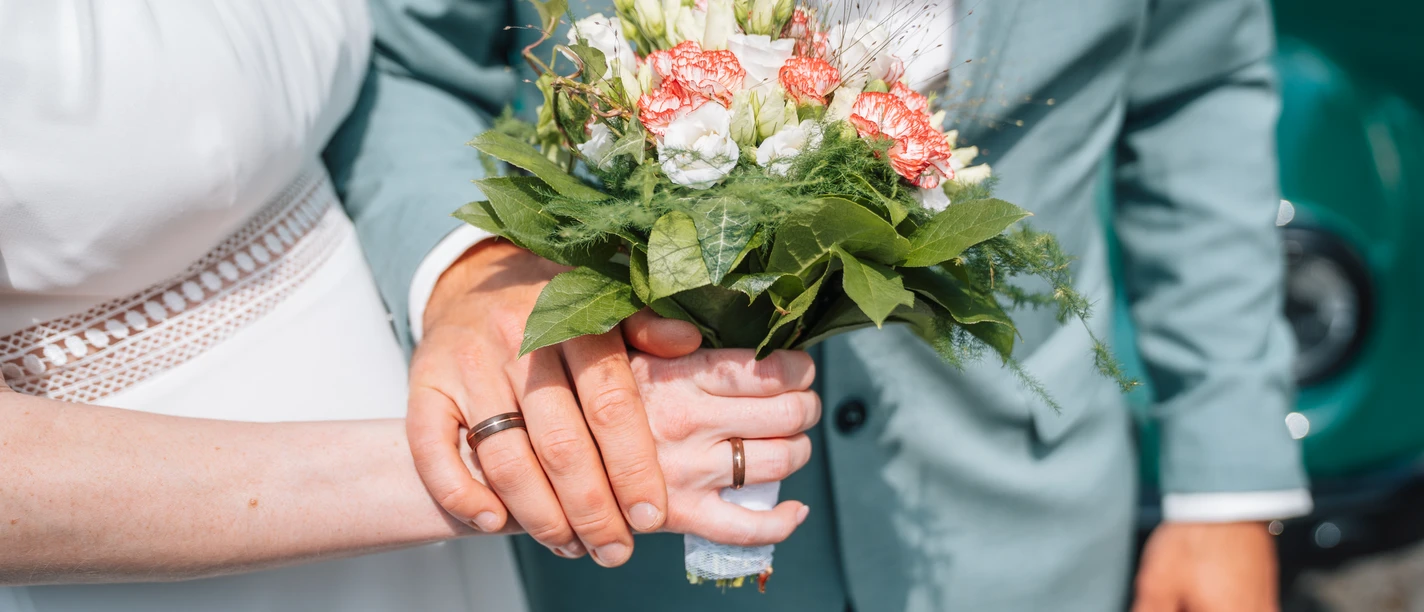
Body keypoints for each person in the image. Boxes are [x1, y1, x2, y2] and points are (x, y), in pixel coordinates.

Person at [377, 0, 1313, 610]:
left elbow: (1199, 82)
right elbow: (407, 62)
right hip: (632, 525)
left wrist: (1225, 489)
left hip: (1024, 524)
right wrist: (473, 273)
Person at [0, 1, 817, 611]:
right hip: (197, 560)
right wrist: (486, 463)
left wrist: (469, 285)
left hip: (448, 539)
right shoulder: (471, 471)